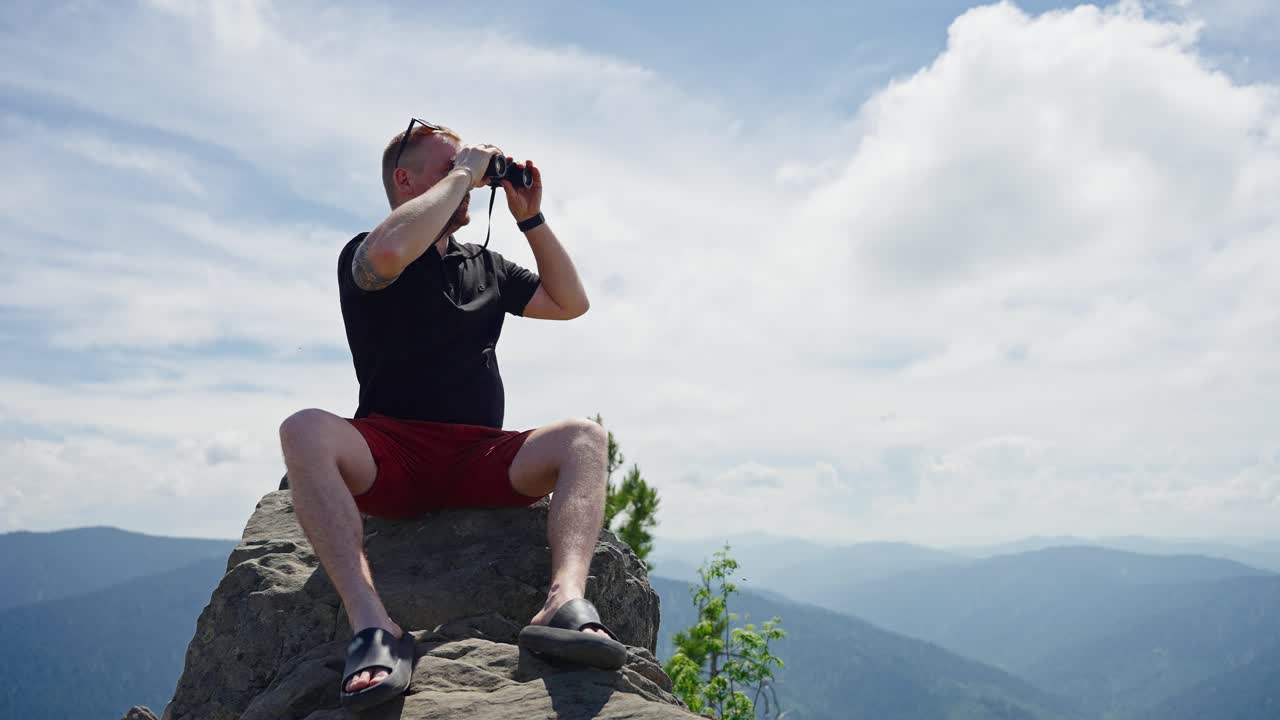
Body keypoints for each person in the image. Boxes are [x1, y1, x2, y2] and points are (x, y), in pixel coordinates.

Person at [277, 119, 625, 711]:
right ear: (405, 180)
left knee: (585, 438)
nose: (468, 176)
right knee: (303, 427)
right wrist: (468, 168)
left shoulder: (484, 265)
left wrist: (530, 217)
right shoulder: (367, 250)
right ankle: (374, 628)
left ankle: (562, 603)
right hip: (391, 451)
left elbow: (571, 303)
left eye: (468, 167)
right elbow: (388, 253)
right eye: (450, 166)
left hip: (478, 455)